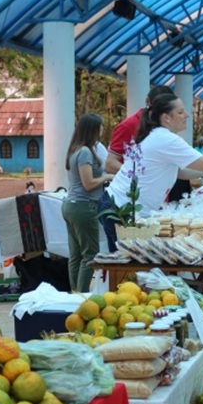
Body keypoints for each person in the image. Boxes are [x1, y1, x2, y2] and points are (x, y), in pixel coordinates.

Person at [104, 93, 203, 237]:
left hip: (127, 208)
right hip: (122, 208)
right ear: (166, 117)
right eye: (180, 112)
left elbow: (179, 172)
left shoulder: (160, 136)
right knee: (125, 257)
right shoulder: (165, 139)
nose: (186, 115)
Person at [62, 113, 114, 292]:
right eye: (99, 127)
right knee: (90, 254)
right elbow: (89, 183)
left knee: (76, 255)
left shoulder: (76, 150)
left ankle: (74, 294)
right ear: (92, 129)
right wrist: (107, 177)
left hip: (73, 205)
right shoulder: (85, 152)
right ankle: (82, 296)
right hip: (84, 206)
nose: (101, 130)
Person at [104, 85, 174, 174]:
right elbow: (110, 163)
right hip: (133, 185)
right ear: (148, 101)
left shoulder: (165, 126)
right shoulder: (127, 126)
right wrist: (140, 174)